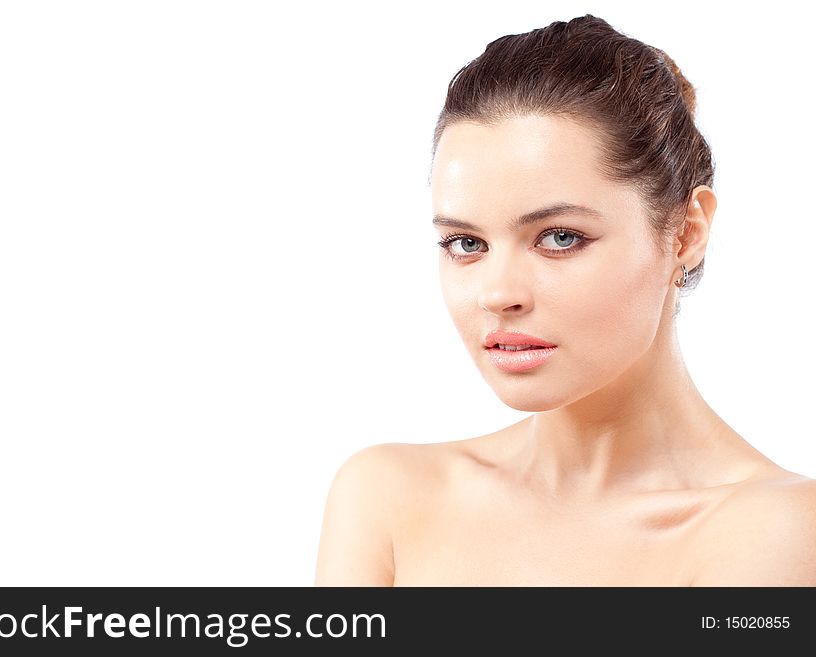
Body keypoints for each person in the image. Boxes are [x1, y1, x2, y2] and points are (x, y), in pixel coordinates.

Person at [314, 14, 816, 586]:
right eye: (466, 243)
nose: (498, 293)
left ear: (686, 232)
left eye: (560, 238)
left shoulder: (778, 532)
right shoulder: (387, 499)